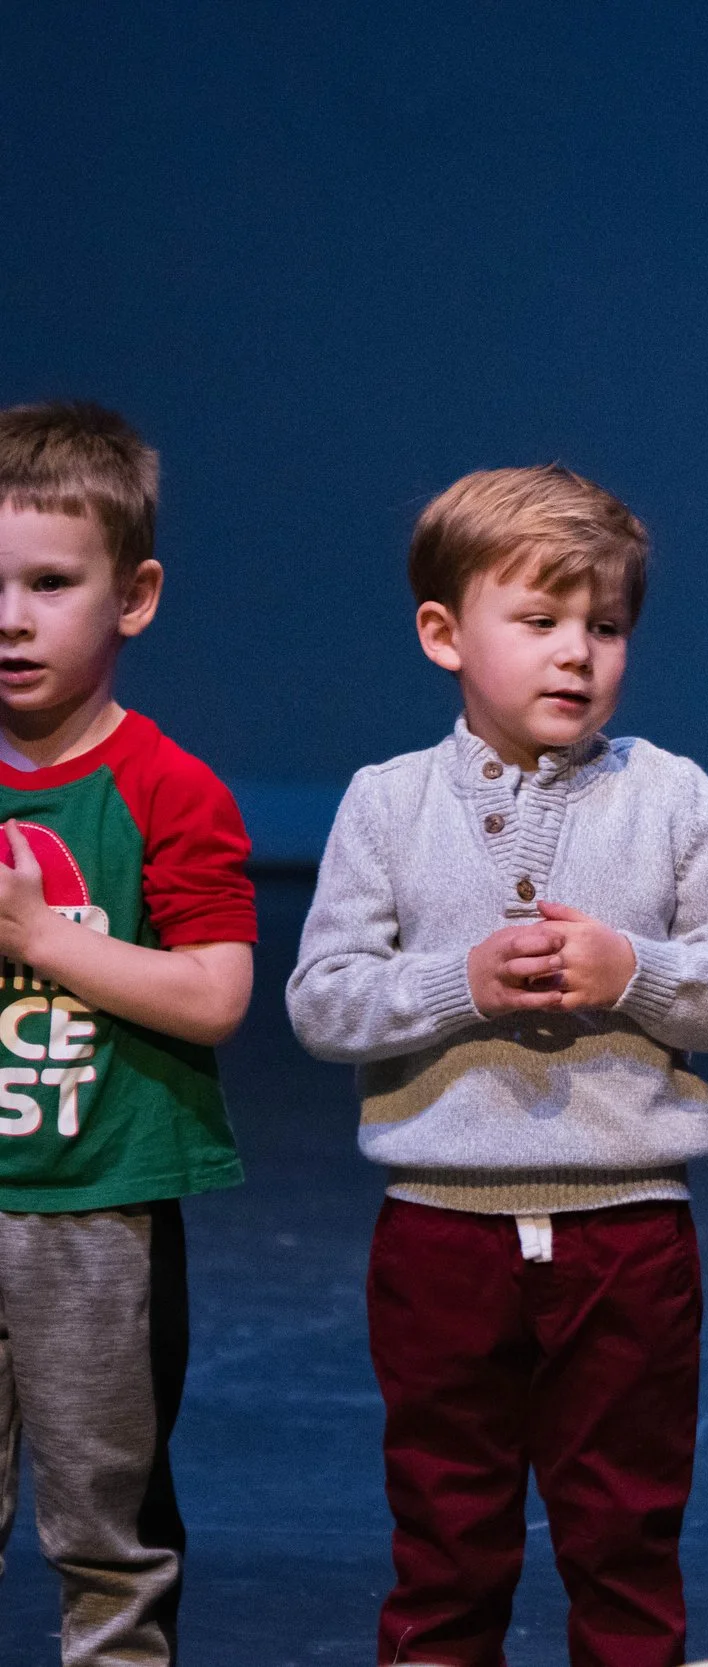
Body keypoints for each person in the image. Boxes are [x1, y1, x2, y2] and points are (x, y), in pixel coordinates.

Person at [287, 465, 708, 1667]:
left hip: (627, 1232)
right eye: (541, 619)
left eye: (605, 626)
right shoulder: (387, 804)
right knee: (447, 1534)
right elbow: (322, 1001)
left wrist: (635, 970)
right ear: (444, 634)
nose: (577, 652)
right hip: (440, 1234)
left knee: (624, 1531)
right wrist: (456, 982)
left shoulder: (673, 798)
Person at [0, 402, 256, 1667]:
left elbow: (215, 993)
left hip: (98, 1211)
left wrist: (42, 940)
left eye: (50, 584)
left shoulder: (168, 789)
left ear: (134, 597)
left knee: (107, 1517)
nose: (11, 619)